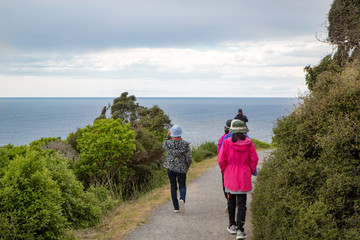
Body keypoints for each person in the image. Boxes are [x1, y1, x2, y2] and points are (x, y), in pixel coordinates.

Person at [218, 120, 259, 239]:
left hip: (230, 174)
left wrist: (224, 169)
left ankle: (232, 226)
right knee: (242, 203)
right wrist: (250, 170)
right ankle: (240, 230)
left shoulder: (226, 142)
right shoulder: (249, 143)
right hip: (244, 174)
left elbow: (221, 159)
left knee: (231, 201)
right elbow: (254, 159)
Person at [163, 124, 192, 213]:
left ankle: (176, 207)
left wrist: (167, 137)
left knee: (173, 186)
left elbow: (163, 147)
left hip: (170, 167)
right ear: (180, 134)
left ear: (172, 133)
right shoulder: (185, 144)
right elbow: (189, 158)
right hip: (181, 168)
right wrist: (187, 165)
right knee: (182, 185)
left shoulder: (168, 143)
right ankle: (182, 199)